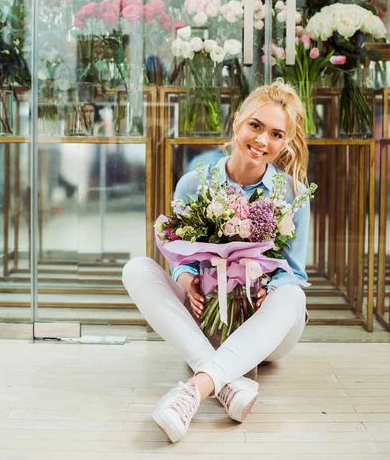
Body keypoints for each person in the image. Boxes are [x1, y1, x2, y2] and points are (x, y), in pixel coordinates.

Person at [122, 78, 310, 443]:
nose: (261, 141)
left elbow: (295, 272)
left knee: (294, 297)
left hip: (267, 330)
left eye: (275, 134)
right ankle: (227, 384)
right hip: (209, 314)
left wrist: (270, 288)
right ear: (237, 121)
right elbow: (180, 249)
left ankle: (195, 389)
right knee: (136, 268)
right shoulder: (194, 182)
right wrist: (184, 276)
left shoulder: (292, 193)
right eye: (255, 126)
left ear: (285, 142)